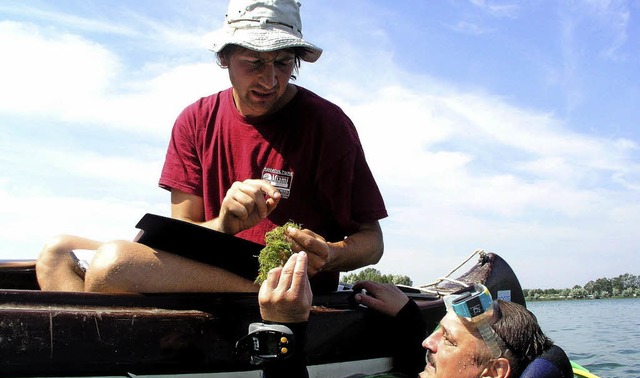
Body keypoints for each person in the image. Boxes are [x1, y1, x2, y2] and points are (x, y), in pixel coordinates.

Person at [36, 0, 387, 294]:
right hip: (210, 265)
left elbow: (372, 241)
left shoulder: (328, 124)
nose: (270, 80)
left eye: (282, 62)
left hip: (286, 284)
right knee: (57, 251)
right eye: (253, 62)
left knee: (115, 264)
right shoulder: (195, 119)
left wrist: (329, 253)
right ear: (225, 58)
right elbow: (181, 233)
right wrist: (223, 224)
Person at [253, 252, 573, 378]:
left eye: (446, 339)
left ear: (492, 373)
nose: (426, 342)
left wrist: (282, 328)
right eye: (438, 330)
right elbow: (413, 366)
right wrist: (407, 313)